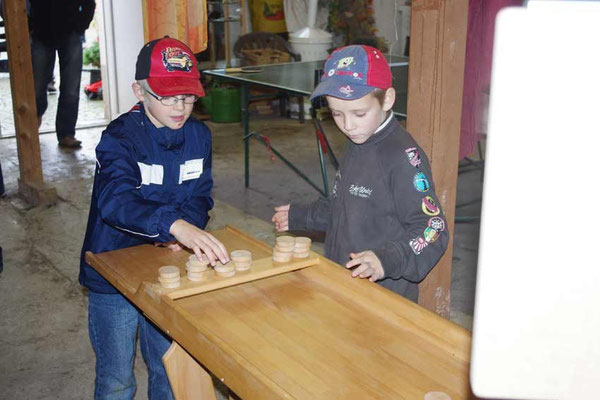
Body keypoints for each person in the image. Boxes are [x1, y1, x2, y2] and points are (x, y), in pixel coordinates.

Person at [79, 37, 230, 399]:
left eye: (188, 96)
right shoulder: (119, 138)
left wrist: (185, 230)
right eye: (168, 96)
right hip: (114, 270)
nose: (180, 107)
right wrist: (173, 225)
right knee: (117, 377)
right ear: (140, 91)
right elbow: (115, 202)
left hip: (168, 267)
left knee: (168, 367)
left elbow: (200, 195)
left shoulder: (199, 135)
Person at [272, 45, 449, 302]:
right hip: (344, 281)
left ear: (387, 100)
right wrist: (302, 215)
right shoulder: (359, 139)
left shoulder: (403, 158)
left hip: (384, 297)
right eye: (336, 114)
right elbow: (345, 205)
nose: (347, 125)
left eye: (359, 113)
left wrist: (385, 260)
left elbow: (434, 228)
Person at [29, 0, 95, 148]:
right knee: (36, 86)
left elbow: (89, 3)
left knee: (71, 87)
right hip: (41, 33)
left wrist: (80, 25)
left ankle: (67, 133)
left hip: (70, 32)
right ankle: (34, 121)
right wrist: (29, 25)